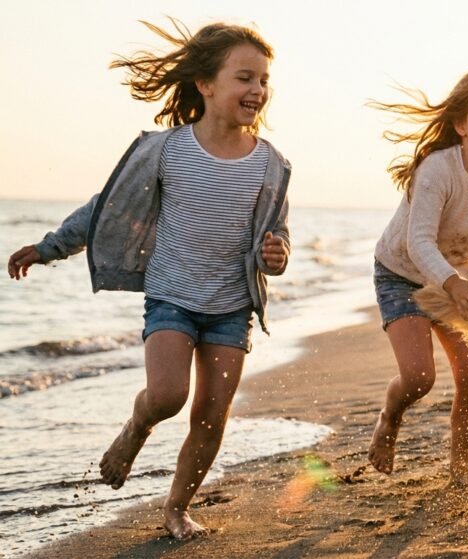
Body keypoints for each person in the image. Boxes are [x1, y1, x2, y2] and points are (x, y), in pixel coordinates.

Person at [6, 19, 290, 540]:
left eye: (263, 80)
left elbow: (276, 239)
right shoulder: (164, 149)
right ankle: (136, 428)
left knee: (211, 415)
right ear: (205, 84)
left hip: (231, 306)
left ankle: (177, 508)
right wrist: (51, 247)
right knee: (166, 396)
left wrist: (277, 255)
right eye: (244, 78)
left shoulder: (271, 165)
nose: (257, 91)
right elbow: (106, 208)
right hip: (172, 298)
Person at [367, 68, 468, 485]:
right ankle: (390, 415)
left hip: (455, 282)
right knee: (420, 378)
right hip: (401, 274)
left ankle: (461, 468)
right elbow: (417, 241)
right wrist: (454, 283)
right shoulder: (438, 170)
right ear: (461, 124)